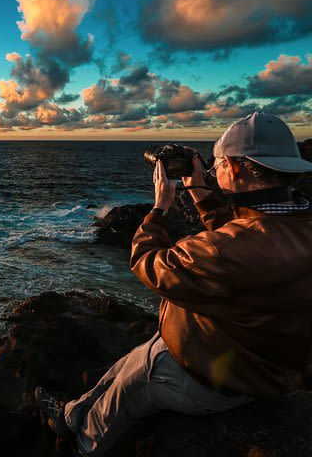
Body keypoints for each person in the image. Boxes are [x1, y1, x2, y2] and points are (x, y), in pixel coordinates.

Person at [35, 111, 312, 456]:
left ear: (237, 168)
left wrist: (159, 208)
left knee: (132, 384)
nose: (213, 170)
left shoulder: (225, 251)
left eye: (219, 164)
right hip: (265, 364)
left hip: (224, 377)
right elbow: (247, 237)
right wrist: (199, 192)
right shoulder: (296, 224)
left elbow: (147, 264)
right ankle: (72, 412)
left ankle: (81, 443)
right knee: (133, 358)